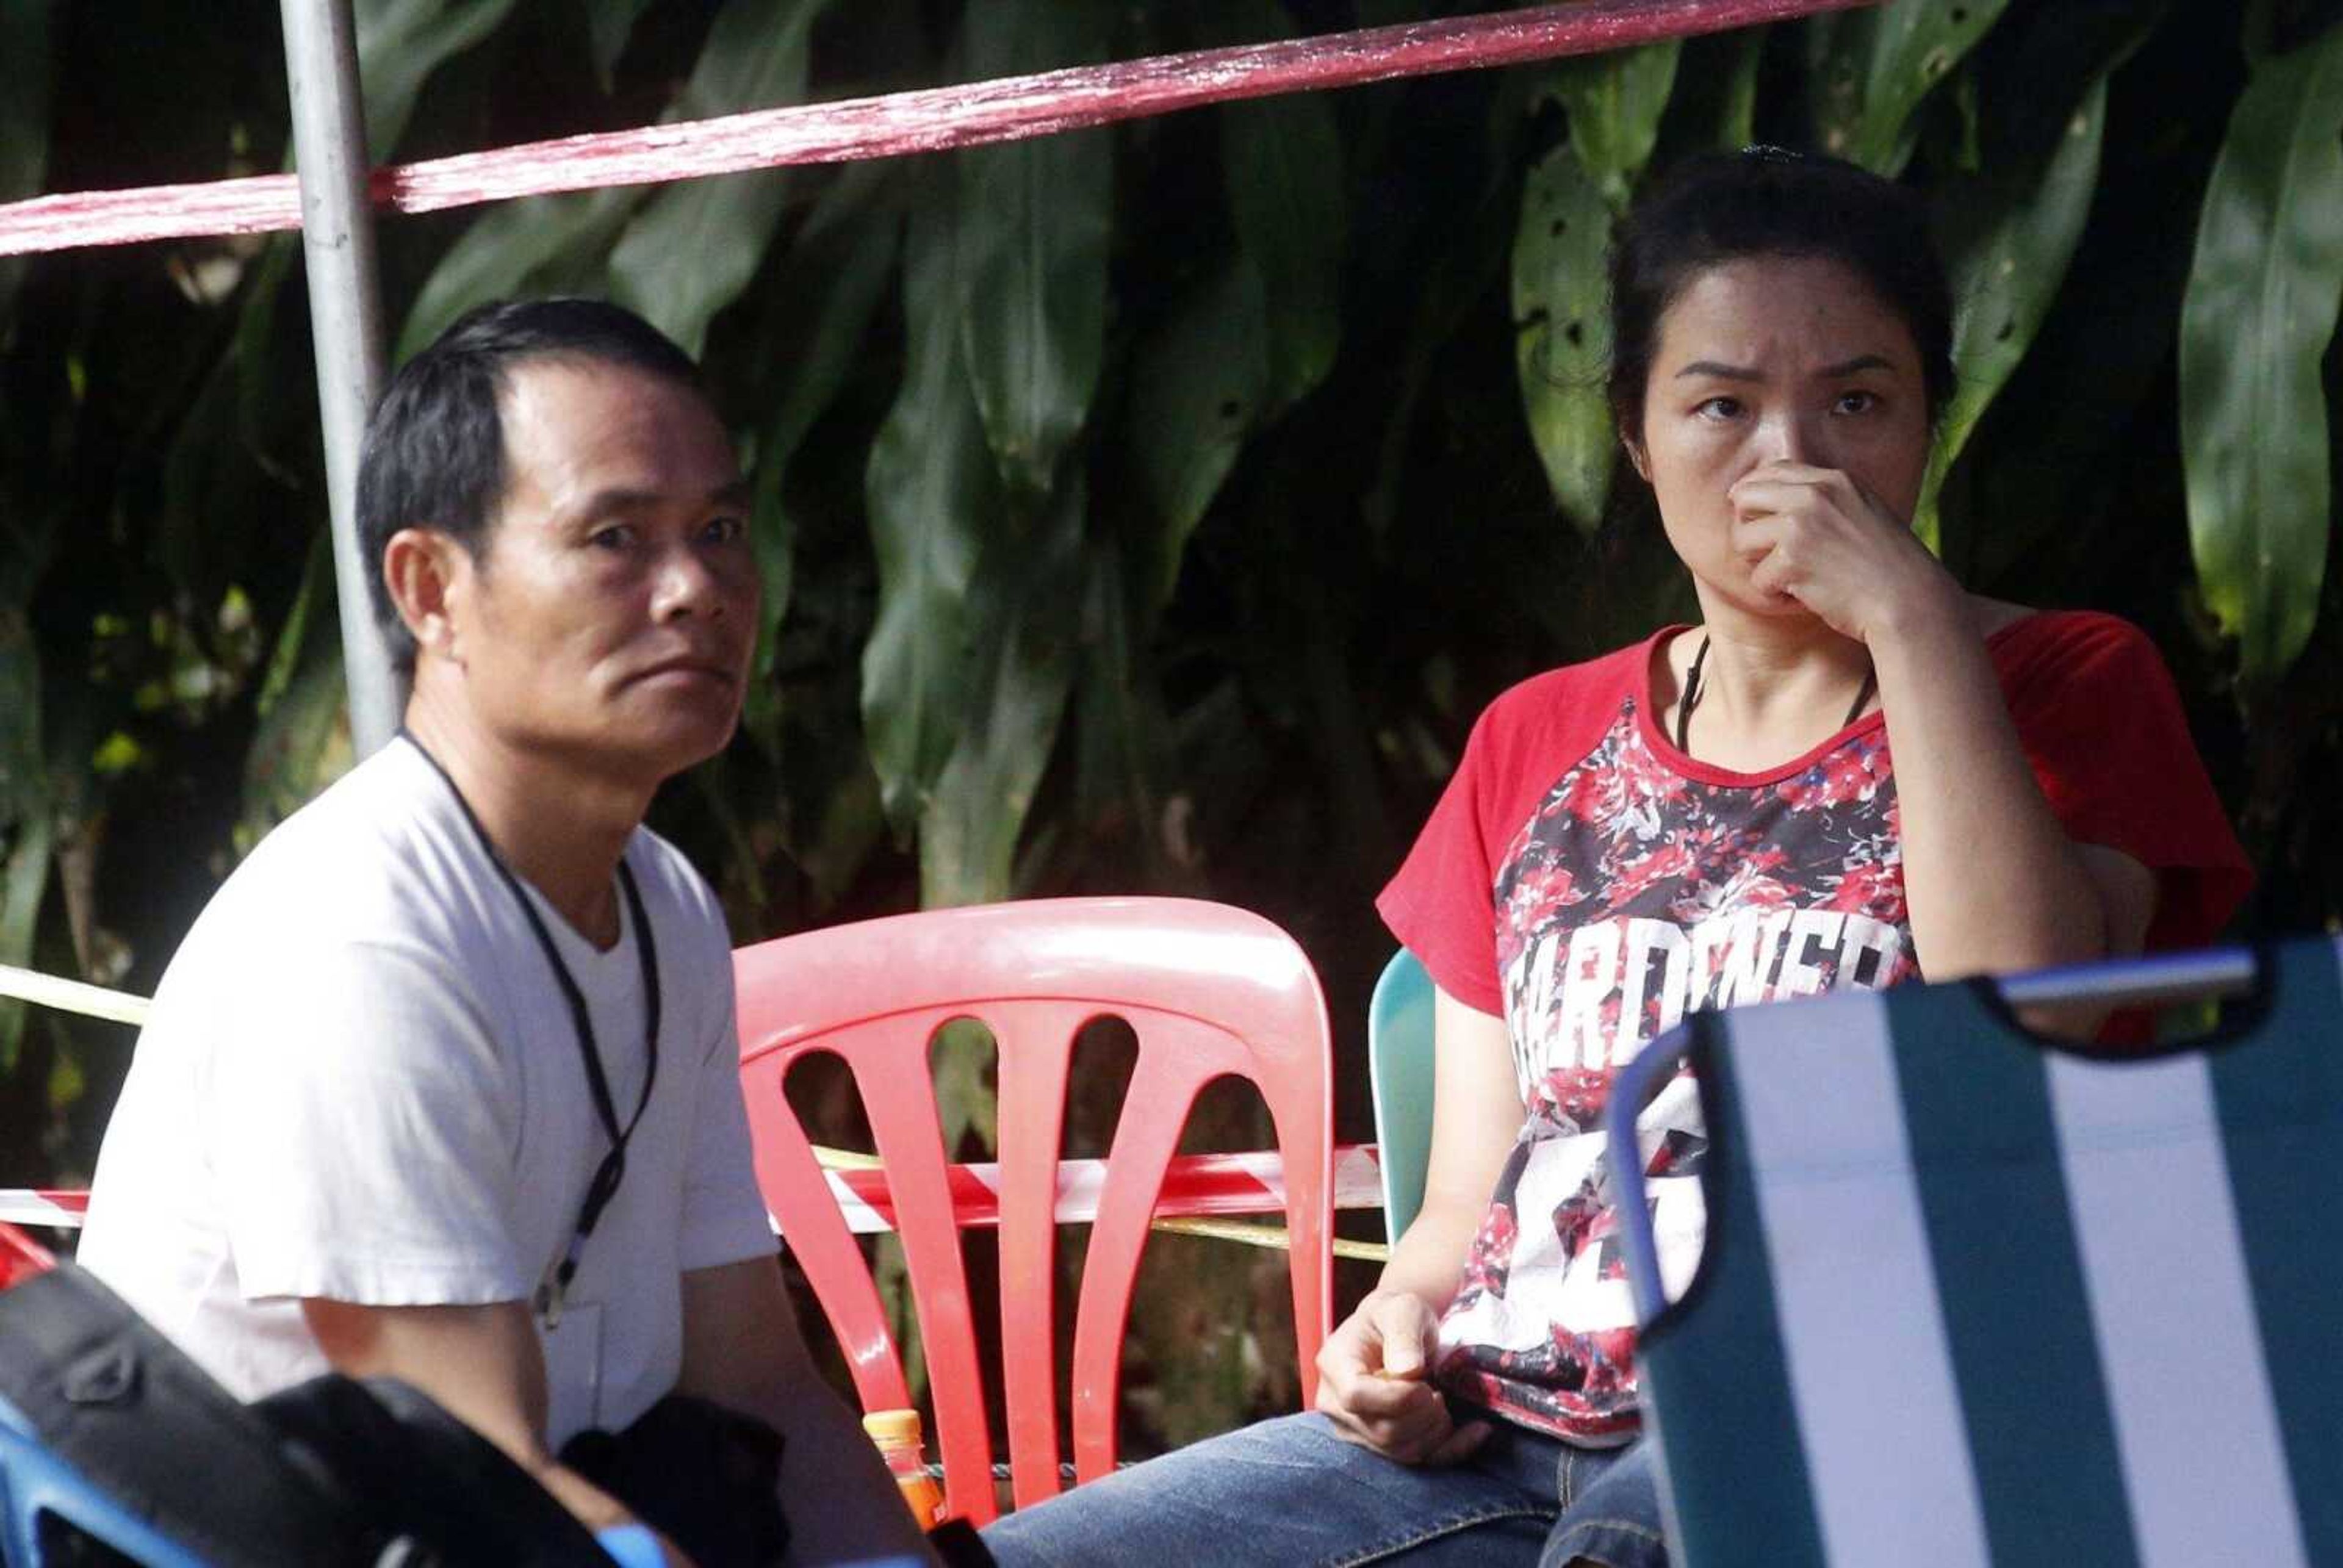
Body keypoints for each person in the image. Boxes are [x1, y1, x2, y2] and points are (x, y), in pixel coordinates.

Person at [982, 148, 2252, 1566]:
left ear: (1930, 426)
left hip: (1868, 1407)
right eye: (1722, 404)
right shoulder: (1537, 737)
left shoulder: (2065, 679)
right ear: (1640, 438)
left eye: (1858, 400)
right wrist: (1389, 1328)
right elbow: (1462, 1201)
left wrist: (1917, 625)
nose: (1794, 460)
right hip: (1497, 1431)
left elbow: (2032, 1016)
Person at [77, 299, 935, 1567]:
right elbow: (482, 1503)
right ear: (433, 589)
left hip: (598, 1526)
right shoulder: (363, 938)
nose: (696, 588)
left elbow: (762, 1384)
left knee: (1303, 1487)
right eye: (614, 537)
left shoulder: (665, 904)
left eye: (720, 531)